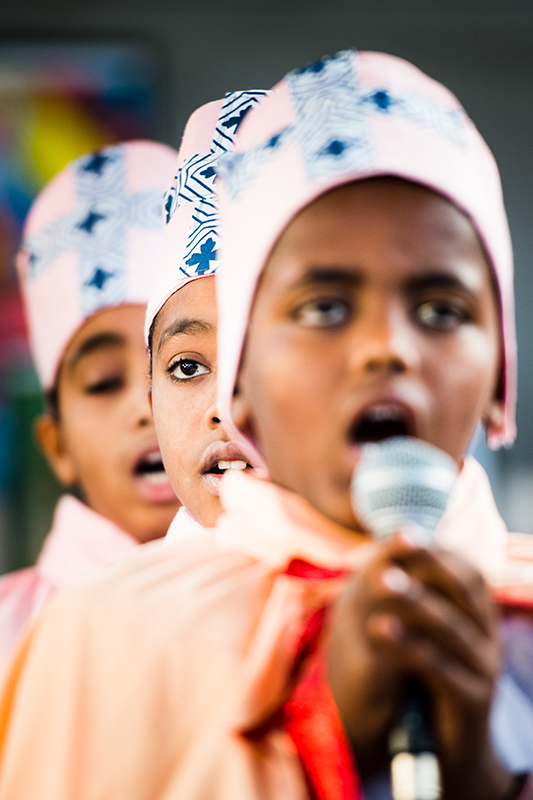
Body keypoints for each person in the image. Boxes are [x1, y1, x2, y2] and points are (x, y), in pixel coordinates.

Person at [1, 51, 533, 800]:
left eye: (440, 310)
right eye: (324, 308)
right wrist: (321, 737)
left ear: (500, 372)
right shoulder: (103, 639)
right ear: (246, 382)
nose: (385, 348)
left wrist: (482, 776)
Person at [0, 141, 181, 676]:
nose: (148, 405)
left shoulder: (293, 603)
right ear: (58, 446)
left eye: (184, 366)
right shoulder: (12, 637)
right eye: (103, 383)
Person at [146, 90, 266, 539]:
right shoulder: (104, 610)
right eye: (188, 366)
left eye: (260, 359)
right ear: (151, 398)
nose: (225, 407)